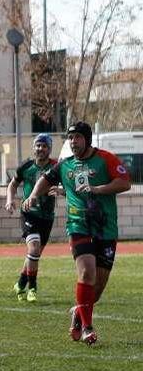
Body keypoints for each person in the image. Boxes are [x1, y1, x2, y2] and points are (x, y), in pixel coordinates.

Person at [23, 122, 130, 345]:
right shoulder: (65, 165)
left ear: (87, 139)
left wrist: (97, 189)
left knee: (97, 289)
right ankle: (88, 328)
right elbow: (45, 179)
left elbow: (124, 183)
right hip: (78, 225)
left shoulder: (105, 159)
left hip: (105, 227)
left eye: (77, 138)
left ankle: (78, 314)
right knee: (86, 273)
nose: (73, 142)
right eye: (70, 138)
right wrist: (33, 195)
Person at [5, 134, 59, 303]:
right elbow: (13, 184)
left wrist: (61, 189)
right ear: (34, 147)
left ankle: (20, 283)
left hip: (47, 216)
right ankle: (32, 288)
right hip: (28, 212)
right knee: (34, 249)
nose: (40, 149)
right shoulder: (26, 166)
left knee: (33, 255)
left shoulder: (56, 166)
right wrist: (9, 200)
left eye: (44, 146)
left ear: (49, 149)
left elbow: (66, 182)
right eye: (38, 146)